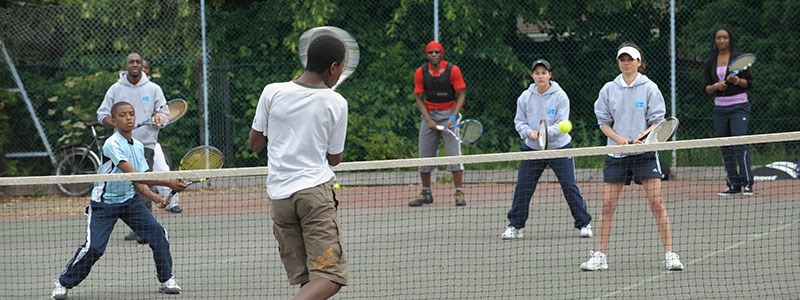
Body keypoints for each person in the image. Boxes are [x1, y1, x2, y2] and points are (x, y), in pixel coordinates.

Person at [51, 102, 187, 299]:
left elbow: (140, 183)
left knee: (158, 234)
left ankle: (166, 279)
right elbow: (134, 175)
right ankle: (63, 283)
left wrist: (157, 198)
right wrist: (169, 182)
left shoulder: (139, 146)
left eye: (131, 114)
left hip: (129, 202)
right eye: (123, 115)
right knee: (94, 248)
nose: (129, 118)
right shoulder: (112, 144)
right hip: (104, 204)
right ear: (114, 121)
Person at [249, 35, 348, 300]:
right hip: (314, 195)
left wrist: (284, 124)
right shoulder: (336, 103)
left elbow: (255, 142)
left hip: (280, 200)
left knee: (307, 279)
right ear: (333, 67)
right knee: (329, 277)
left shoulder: (272, 91)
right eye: (342, 68)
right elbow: (334, 158)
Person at [581, 43, 684, 271]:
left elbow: (658, 121)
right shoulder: (609, 89)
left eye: (630, 59)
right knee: (607, 205)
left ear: (639, 62)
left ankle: (670, 254)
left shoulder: (649, 88)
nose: (626, 63)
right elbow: (603, 123)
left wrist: (642, 135)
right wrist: (620, 139)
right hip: (616, 153)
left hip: (645, 153)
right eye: (622, 59)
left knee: (657, 204)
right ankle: (600, 256)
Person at [501, 59, 593, 240]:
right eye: (537, 73)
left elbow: (561, 124)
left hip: (559, 148)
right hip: (532, 149)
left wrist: (544, 134)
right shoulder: (525, 98)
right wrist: (529, 133)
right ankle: (515, 226)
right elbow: (519, 122)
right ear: (532, 76)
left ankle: (584, 223)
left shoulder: (560, 96)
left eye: (544, 73)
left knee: (569, 186)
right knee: (523, 187)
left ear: (550, 75)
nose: (540, 76)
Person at [96, 53, 181, 245]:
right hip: (121, 147)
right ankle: (137, 226)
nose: (135, 65)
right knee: (125, 187)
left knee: (142, 185)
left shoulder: (153, 89)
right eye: (131, 62)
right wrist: (115, 123)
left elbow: (165, 113)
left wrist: (160, 118)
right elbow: (102, 114)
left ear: (142, 65)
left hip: (146, 146)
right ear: (126, 65)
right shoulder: (115, 89)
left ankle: (145, 229)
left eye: (138, 62)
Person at [408, 40, 468, 207]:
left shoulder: (453, 70)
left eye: (437, 52)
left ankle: (459, 193)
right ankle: (426, 193)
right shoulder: (421, 72)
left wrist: (453, 118)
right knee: (424, 156)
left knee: (454, 155)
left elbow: (461, 94)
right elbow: (419, 98)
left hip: (449, 114)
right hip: (430, 116)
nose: (434, 55)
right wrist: (428, 120)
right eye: (430, 53)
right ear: (426, 55)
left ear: (442, 54)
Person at [703, 28, 754, 196]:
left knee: (739, 144)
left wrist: (737, 80)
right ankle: (733, 184)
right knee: (725, 147)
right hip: (720, 109)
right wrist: (717, 86)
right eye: (719, 38)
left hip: (739, 106)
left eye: (725, 37)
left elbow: (749, 83)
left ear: (730, 40)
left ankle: (747, 184)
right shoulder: (710, 62)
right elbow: (706, 89)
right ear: (715, 41)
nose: (722, 40)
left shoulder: (738, 59)